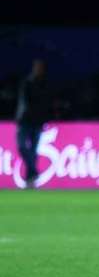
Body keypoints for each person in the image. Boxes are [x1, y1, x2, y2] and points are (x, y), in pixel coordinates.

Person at [15, 59, 51, 189]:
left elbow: (46, 103)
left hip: (37, 121)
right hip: (24, 121)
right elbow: (23, 102)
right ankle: (34, 172)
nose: (38, 69)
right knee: (22, 146)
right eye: (37, 67)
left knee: (33, 150)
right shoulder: (27, 82)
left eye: (40, 67)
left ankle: (30, 181)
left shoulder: (44, 84)